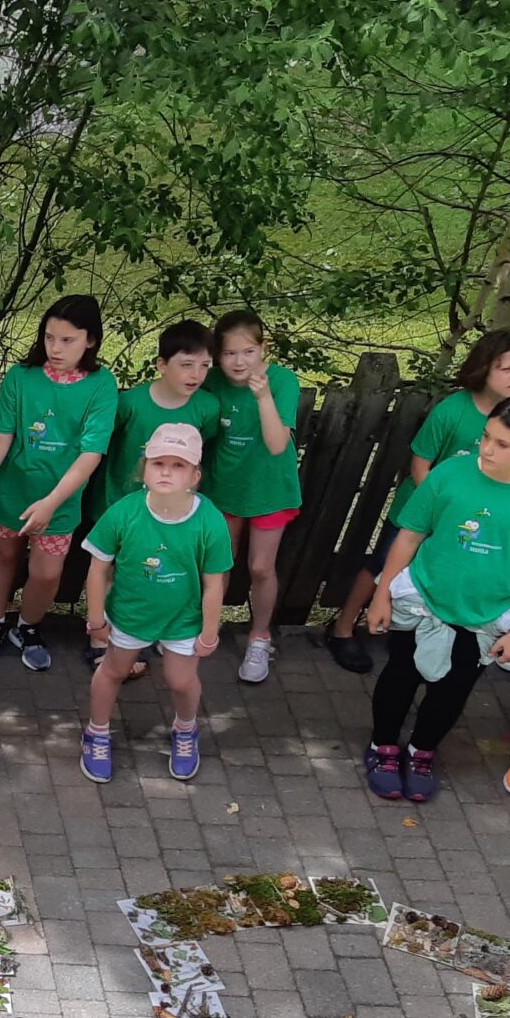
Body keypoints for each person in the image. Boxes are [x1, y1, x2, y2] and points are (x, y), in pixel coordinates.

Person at [366, 395, 510, 803]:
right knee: (400, 678)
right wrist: (382, 593)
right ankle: (382, 747)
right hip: (425, 599)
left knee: (452, 692)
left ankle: (422, 751)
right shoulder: (451, 474)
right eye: (486, 437)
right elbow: (410, 535)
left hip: (482, 618)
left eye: (503, 444)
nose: (487, 449)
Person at [332, 330, 510, 674]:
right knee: (385, 565)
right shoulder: (452, 411)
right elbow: (420, 464)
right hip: (422, 510)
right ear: (482, 369)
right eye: (507, 369)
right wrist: (439, 510)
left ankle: (419, 630)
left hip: (472, 518)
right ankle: (342, 628)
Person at [0, 294, 118, 672]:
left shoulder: (101, 385)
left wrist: (52, 502)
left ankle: (27, 626)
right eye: (49, 337)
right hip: (11, 493)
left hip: (59, 503)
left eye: (68, 340)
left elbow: (90, 454)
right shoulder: (21, 376)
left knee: (47, 573)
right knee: (2, 556)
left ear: (91, 341)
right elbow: (0, 436)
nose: (56, 348)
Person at [78, 426, 232, 783]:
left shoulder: (209, 521)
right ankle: (96, 732)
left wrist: (210, 631)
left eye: (178, 465)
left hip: (184, 619)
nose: (166, 471)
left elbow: (214, 584)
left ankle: (185, 729)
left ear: (195, 475)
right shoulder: (124, 513)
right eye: (158, 462)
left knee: (181, 679)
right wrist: (96, 618)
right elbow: (98, 568)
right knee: (113, 671)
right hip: (130, 615)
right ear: (144, 469)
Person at [84, 322, 220, 668]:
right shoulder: (129, 403)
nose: (196, 374)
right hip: (119, 501)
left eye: (205, 366)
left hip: (172, 511)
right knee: (114, 569)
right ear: (161, 364)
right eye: (186, 364)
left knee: (164, 568)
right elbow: (103, 445)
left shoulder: (207, 408)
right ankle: (104, 640)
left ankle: (164, 634)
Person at [203, 311, 302, 683]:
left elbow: (278, 445)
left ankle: (260, 637)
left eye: (248, 351)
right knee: (218, 563)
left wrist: (262, 397)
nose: (239, 362)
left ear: (264, 349)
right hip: (223, 487)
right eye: (229, 354)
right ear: (217, 355)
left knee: (261, 566)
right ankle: (206, 627)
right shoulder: (211, 381)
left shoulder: (281, 381)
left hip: (269, 490)